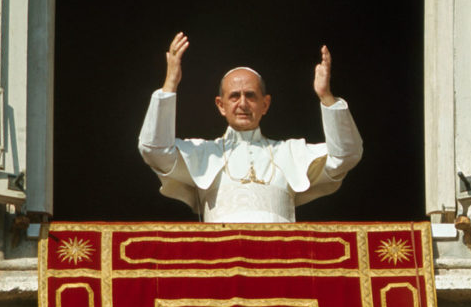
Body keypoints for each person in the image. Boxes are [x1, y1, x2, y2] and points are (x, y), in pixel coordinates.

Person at [138, 32, 362, 223]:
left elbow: (346, 156)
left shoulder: (290, 152)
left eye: (251, 96)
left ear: (265, 104)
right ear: (221, 105)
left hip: (280, 261)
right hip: (221, 262)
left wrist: (326, 97)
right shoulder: (203, 153)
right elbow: (153, 150)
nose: (242, 103)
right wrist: (170, 84)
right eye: (234, 96)